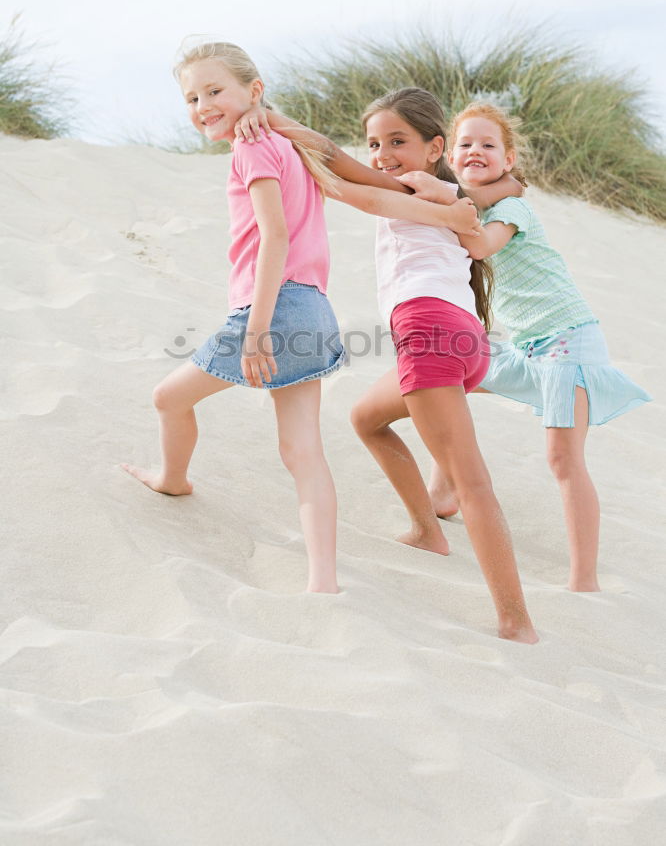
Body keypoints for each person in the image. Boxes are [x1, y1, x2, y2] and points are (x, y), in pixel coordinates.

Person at [123, 45, 481, 596]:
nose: (203, 105)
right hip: (315, 311)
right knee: (302, 452)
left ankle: (172, 479)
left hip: (275, 308)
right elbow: (367, 195)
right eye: (192, 97)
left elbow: (276, 237)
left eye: (215, 90)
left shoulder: (252, 149)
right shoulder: (291, 147)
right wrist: (444, 214)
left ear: (254, 91)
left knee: (168, 399)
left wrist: (257, 327)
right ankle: (323, 582)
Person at [235, 89, 538, 643]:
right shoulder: (447, 191)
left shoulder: (415, 186)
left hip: (429, 331)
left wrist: (280, 133)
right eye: (375, 142)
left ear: (433, 147)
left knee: (473, 485)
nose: (382, 154)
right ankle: (428, 530)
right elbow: (341, 156)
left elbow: (348, 177)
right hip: (460, 336)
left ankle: (516, 622)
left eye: (398, 141)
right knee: (367, 417)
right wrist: (289, 131)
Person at [418, 102, 651, 593]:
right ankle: (442, 495)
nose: (475, 151)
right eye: (465, 144)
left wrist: (497, 191)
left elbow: (480, 246)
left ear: (509, 157)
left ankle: (583, 581)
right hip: (527, 346)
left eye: (488, 145)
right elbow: (461, 203)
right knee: (453, 380)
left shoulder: (511, 208)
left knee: (563, 460)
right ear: (449, 155)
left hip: (568, 339)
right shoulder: (474, 198)